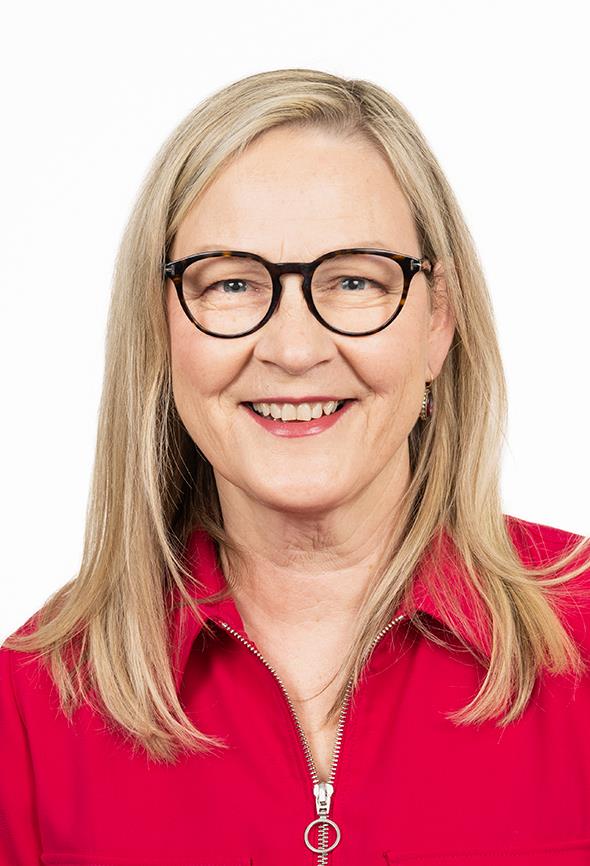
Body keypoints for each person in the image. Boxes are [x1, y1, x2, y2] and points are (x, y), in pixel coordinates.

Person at [1, 68, 589, 866]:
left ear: (438, 319)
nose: (294, 347)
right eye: (232, 283)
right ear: (161, 327)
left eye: (353, 280)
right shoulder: (29, 707)